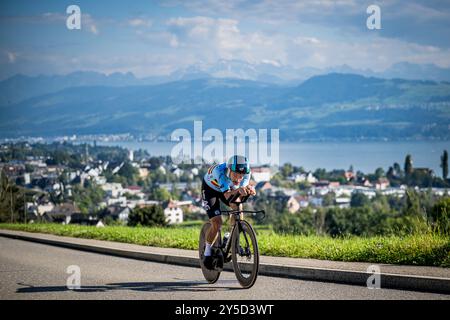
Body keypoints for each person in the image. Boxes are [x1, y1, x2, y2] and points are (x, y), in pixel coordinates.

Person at [201, 155, 256, 270]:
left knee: (238, 208)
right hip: (210, 189)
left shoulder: (246, 173)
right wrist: (239, 190)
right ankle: (207, 252)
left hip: (227, 188)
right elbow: (227, 195)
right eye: (235, 174)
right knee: (217, 222)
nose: (238, 178)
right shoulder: (220, 172)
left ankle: (231, 235)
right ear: (229, 169)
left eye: (241, 176)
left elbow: (242, 188)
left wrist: (249, 190)